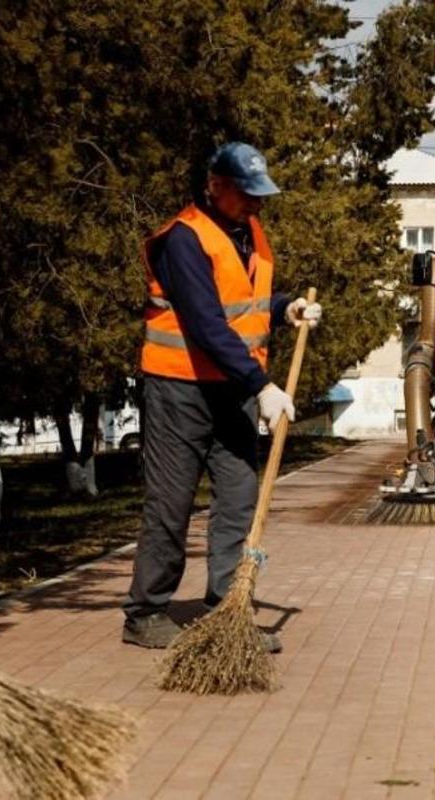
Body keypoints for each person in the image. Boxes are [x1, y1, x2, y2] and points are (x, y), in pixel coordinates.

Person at [122, 142, 323, 649]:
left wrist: (285, 308)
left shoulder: (249, 232)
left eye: (261, 195)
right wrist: (263, 387)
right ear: (215, 187)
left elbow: (244, 304)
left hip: (228, 391)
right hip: (179, 390)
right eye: (246, 194)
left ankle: (225, 609)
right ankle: (145, 613)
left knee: (238, 496)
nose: (256, 204)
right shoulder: (183, 240)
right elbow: (207, 324)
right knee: (172, 502)